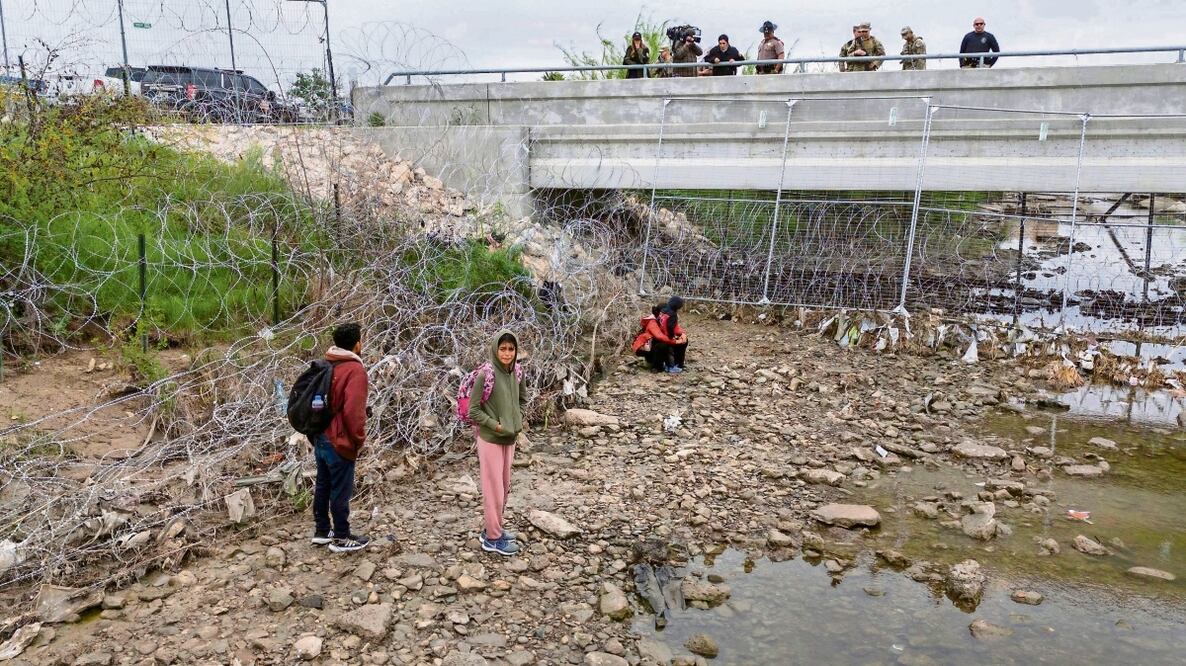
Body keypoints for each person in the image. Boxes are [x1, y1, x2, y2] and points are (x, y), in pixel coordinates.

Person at [469, 330, 528, 556]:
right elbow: (474, 410)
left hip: (509, 438)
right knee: (493, 489)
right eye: (502, 349)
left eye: (511, 349)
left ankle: (493, 529)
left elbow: (522, 400)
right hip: (491, 439)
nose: (507, 353)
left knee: (503, 485)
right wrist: (496, 426)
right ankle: (493, 539)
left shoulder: (517, 372)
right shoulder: (486, 375)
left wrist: (516, 420)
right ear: (495, 349)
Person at [312, 323, 370, 553]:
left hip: (321, 435)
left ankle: (322, 531)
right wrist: (358, 439)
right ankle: (342, 537)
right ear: (357, 344)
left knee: (323, 484)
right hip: (340, 439)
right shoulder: (355, 370)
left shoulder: (326, 363)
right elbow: (353, 411)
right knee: (340, 490)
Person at [632, 304, 680, 371]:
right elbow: (660, 336)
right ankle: (656, 367)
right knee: (663, 345)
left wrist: (682, 335)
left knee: (668, 343)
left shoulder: (662, 320)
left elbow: (676, 329)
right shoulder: (652, 322)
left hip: (651, 345)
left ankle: (666, 364)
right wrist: (676, 341)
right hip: (645, 346)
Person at [658, 296, 689, 373]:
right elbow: (670, 327)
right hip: (667, 336)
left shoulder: (663, 310)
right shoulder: (672, 314)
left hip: (660, 333)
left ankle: (671, 364)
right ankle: (676, 365)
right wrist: (672, 337)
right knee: (683, 342)